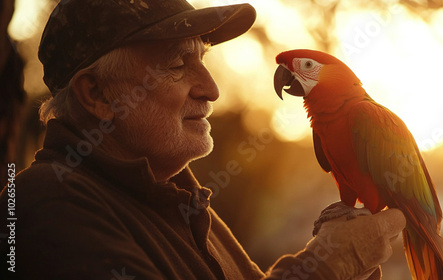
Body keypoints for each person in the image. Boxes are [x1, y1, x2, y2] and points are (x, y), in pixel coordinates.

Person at [0, 0, 406, 279]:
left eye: (203, 60)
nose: (211, 89)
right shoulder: (42, 207)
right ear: (97, 95)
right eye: (178, 63)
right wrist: (329, 264)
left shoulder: (180, 197)